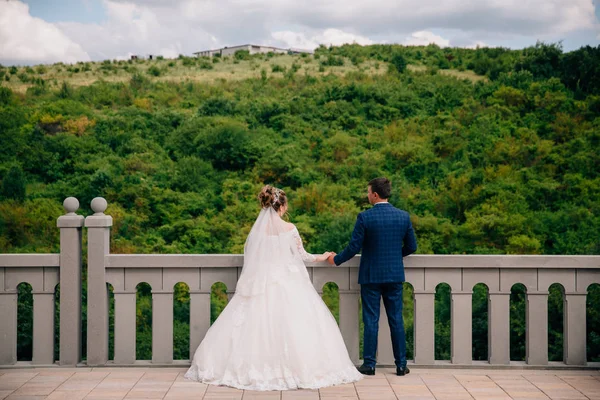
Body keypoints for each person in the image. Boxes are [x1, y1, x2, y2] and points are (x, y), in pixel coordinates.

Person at [185, 185, 363, 391]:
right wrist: (323, 256)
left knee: (253, 325)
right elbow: (303, 257)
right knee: (295, 325)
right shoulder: (289, 229)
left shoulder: (257, 232)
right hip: (287, 282)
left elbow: (252, 259)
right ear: (283, 205)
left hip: (261, 281)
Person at [328, 177, 417, 376]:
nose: (367, 195)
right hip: (394, 275)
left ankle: (369, 365)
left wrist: (337, 259)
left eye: (368, 192)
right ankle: (401, 365)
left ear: (375, 195)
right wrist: (395, 256)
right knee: (396, 320)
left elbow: (353, 247)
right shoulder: (403, 216)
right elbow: (412, 246)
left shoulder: (365, 217)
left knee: (371, 320)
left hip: (371, 276)